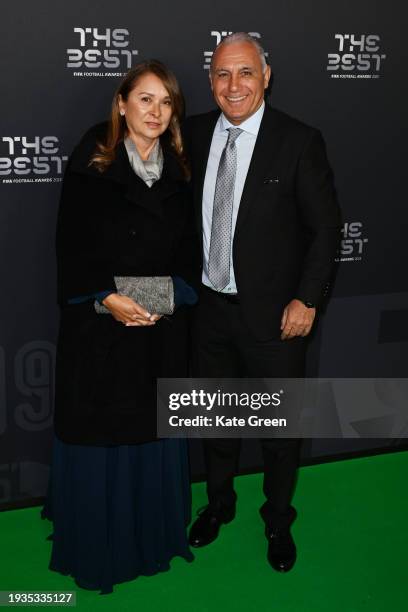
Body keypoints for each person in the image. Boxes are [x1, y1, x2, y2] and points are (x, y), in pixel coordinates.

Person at [185, 33, 341, 571]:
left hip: (277, 320)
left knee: (279, 433)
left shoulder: (298, 140)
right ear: (211, 81)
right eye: (223, 74)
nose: (234, 86)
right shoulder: (192, 133)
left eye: (246, 73)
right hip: (208, 312)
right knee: (215, 423)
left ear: (266, 77)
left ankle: (277, 517)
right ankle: (219, 504)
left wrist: (307, 299)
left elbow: (325, 229)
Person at [42, 60, 198, 594]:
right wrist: (110, 299)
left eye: (166, 102)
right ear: (121, 103)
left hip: (157, 330)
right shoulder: (91, 161)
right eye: (146, 99)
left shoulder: (182, 169)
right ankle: (98, 546)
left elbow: (191, 257)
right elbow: (71, 248)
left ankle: (152, 537)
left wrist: (152, 301)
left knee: (151, 431)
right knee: (102, 430)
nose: (156, 112)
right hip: (99, 333)